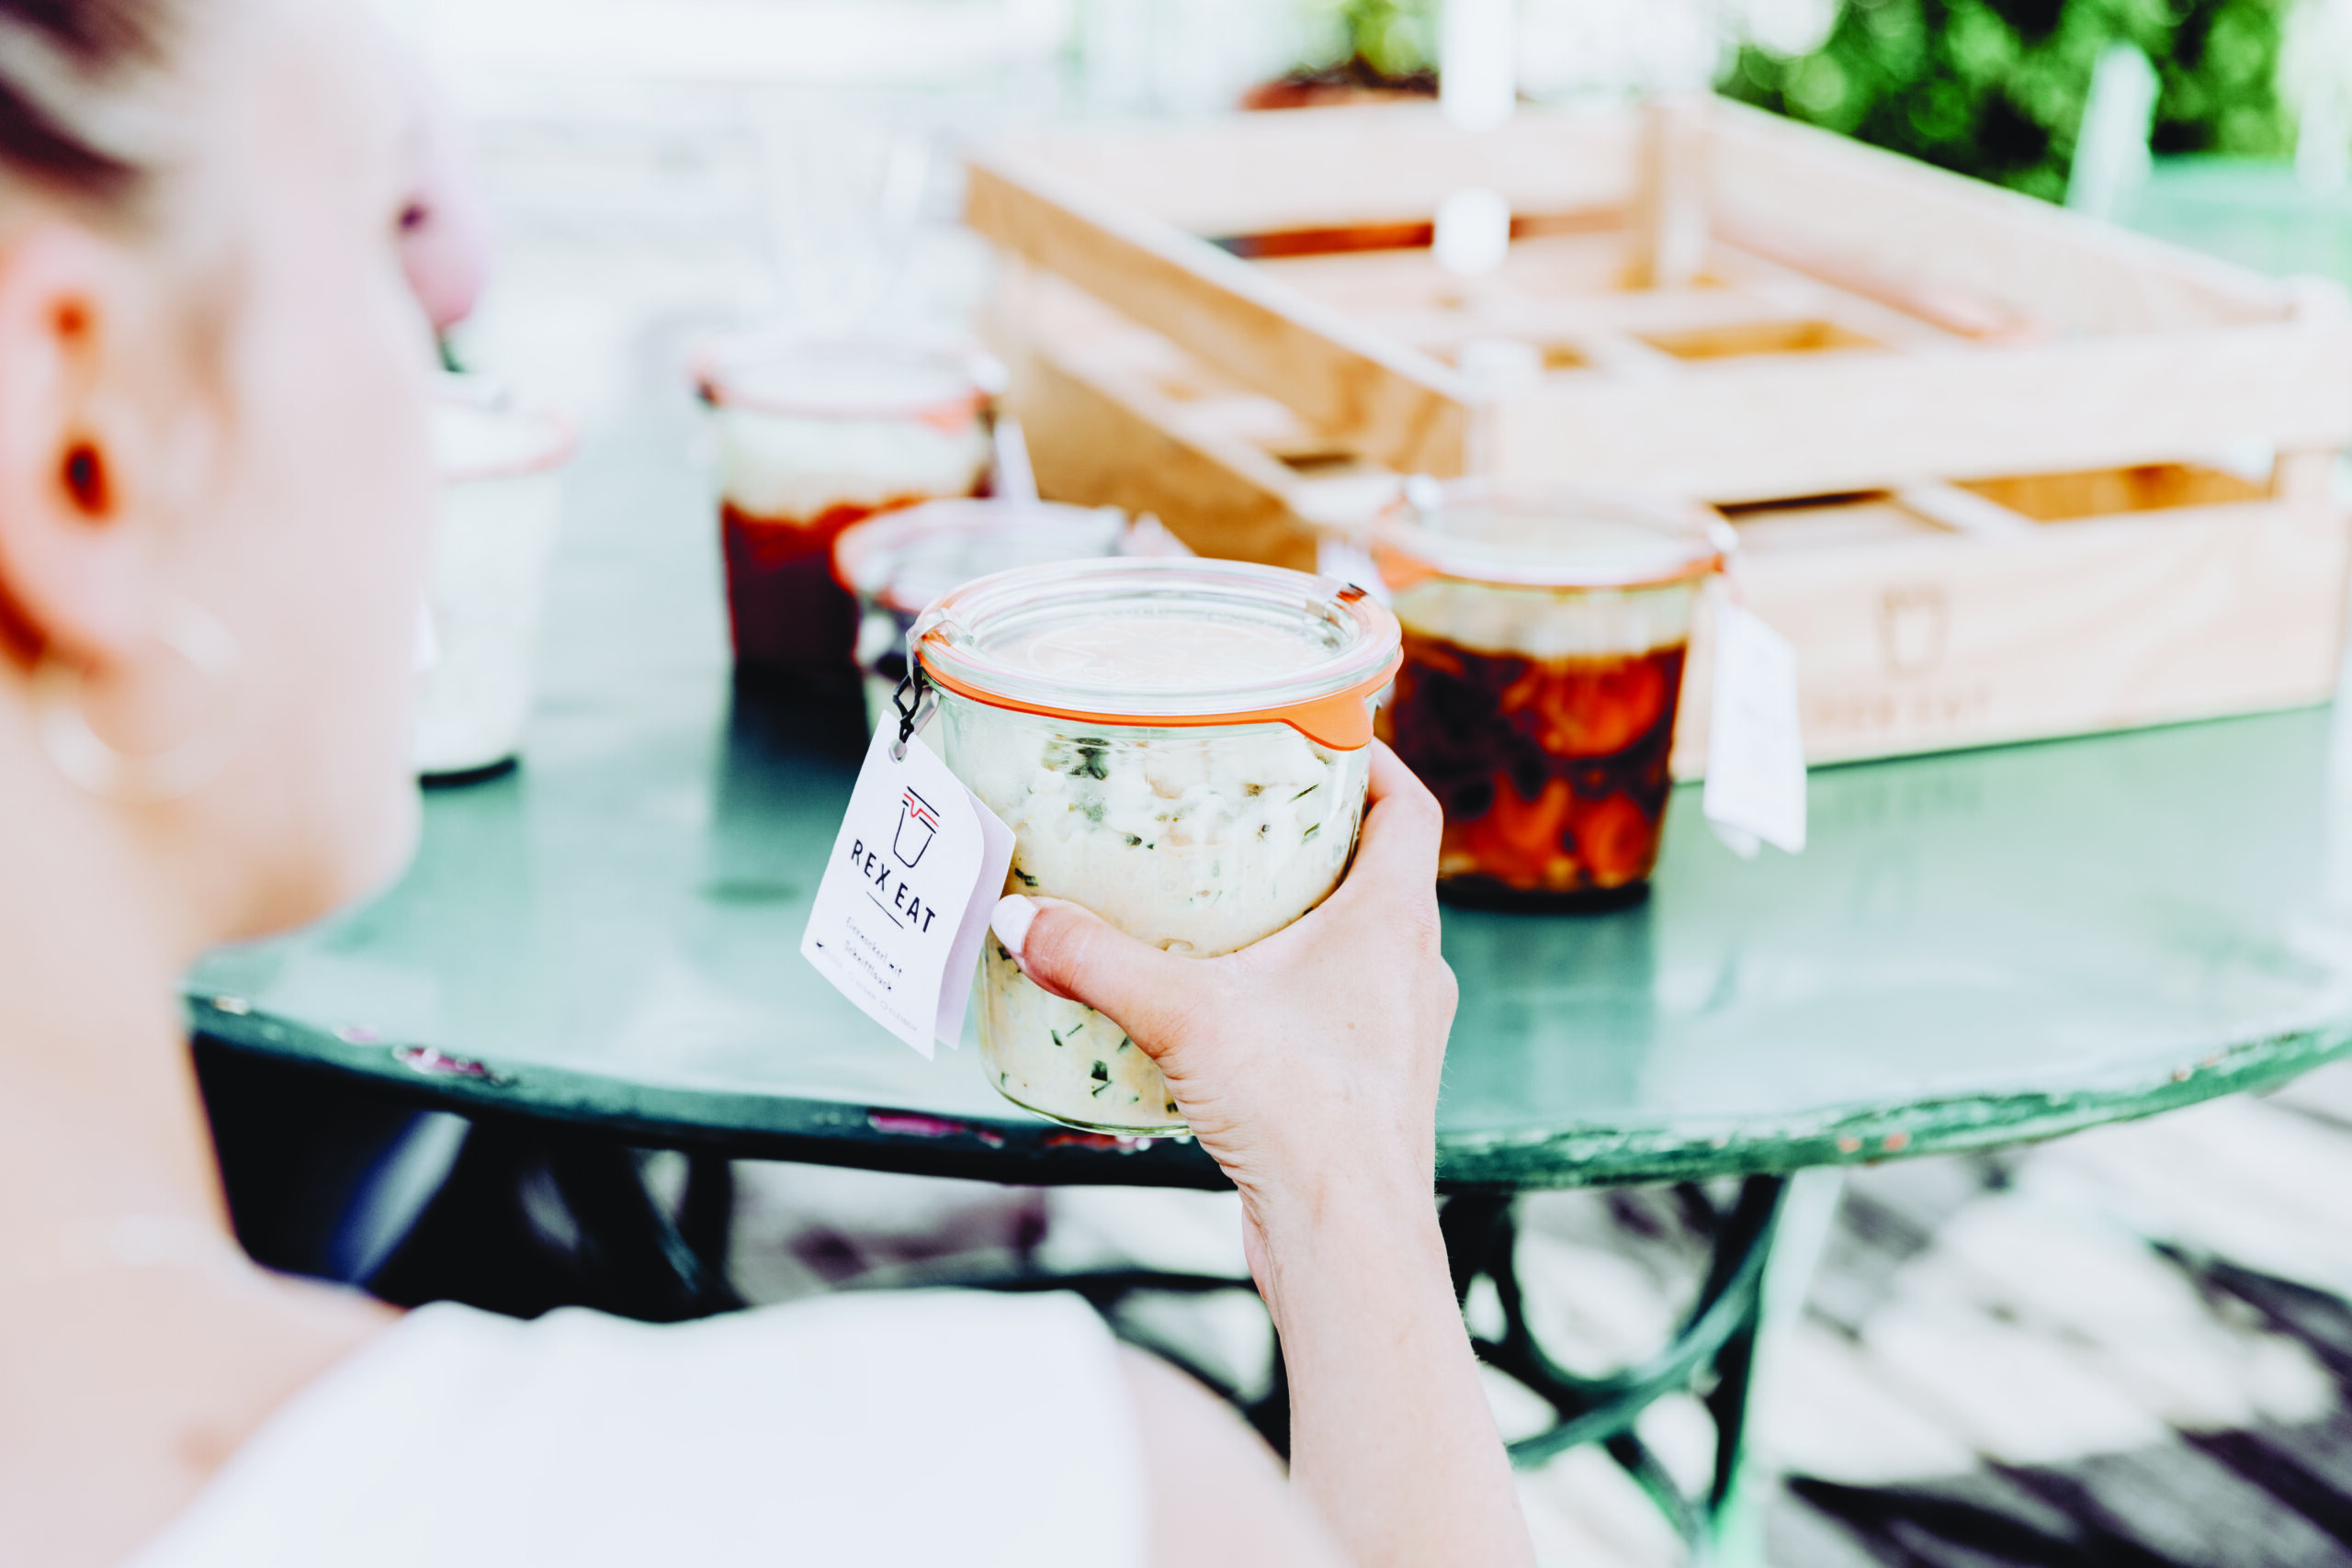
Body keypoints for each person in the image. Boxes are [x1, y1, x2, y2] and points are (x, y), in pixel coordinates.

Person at [0, 2, 1538, 1564]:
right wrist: (1349, 1184)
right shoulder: (1043, 1496)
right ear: (85, 447)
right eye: (390, 235)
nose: (454, 316)